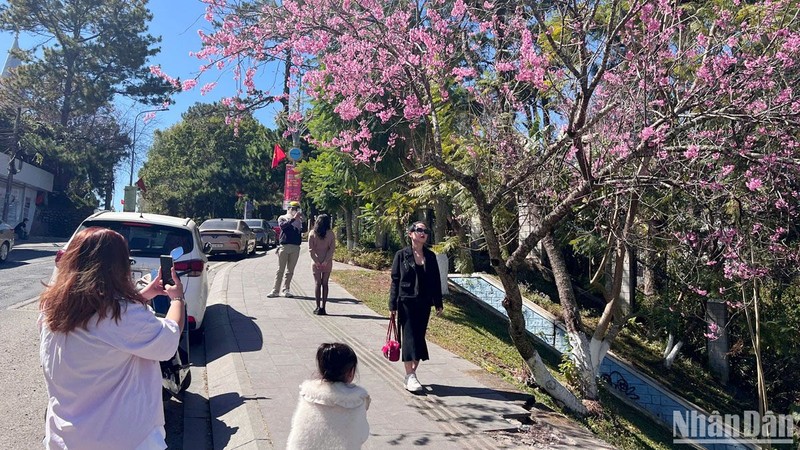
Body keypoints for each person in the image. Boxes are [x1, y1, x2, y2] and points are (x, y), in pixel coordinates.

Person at [38, 227, 185, 449]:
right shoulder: (122, 314)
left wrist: (145, 294)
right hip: (120, 437)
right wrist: (177, 300)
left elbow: (100, 326)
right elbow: (168, 341)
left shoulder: (52, 307)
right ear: (119, 267)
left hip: (65, 436)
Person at [389, 221, 444, 393]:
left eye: (425, 231)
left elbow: (436, 281)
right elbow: (395, 280)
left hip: (424, 302)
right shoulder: (401, 255)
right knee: (409, 337)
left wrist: (438, 303)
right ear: (410, 233)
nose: (423, 233)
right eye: (419, 230)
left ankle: (411, 374)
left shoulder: (431, 256)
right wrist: (392, 304)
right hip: (406, 301)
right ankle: (410, 375)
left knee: (419, 337)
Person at [286, 342, 370, 450]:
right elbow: (362, 434)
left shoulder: (308, 396)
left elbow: (298, 435)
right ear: (350, 372)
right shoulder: (356, 402)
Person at [268, 201, 304, 298]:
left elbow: (301, 231)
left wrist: (300, 220)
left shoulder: (299, 221)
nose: (294, 211)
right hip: (284, 246)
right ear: (289, 209)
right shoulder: (282, 217)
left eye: (297, 209)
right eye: (293, 209)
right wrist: (293, 219)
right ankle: (275, 290)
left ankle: (286, 289)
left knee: (290, 270)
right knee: (280, 270)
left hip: (295, 247)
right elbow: (283, 226)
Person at [308, 214, 335, 315]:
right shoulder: (331, 234)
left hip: (316, 262)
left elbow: (311, 250)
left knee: (317, 284)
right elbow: (332, 249)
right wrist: (326, 261)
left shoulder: (312, 233)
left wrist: (316, 261)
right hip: (327, 262)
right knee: (325, 284)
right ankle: (324, 307)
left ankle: (317, 307)